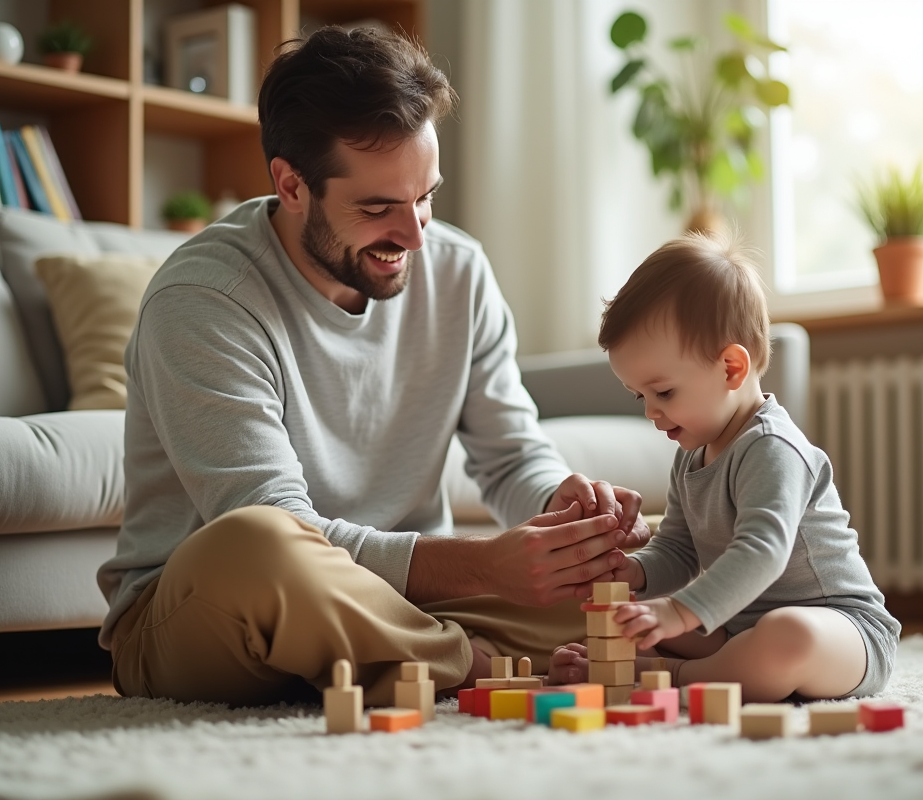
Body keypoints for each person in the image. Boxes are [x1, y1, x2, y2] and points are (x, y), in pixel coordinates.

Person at [97, 27, 651, 707]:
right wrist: (484, 564)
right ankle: (470, 663)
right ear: (291, 185)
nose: (415, 235)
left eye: (426, 197)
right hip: (218, 613)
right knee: (259, 543)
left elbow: (511, 456)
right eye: (378, 207)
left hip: (404, 605)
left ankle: (419, 654)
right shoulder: (205, 298)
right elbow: (279, 525)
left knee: (650, 571)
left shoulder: (459, 271)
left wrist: (563, 515)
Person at [547, 232, 900, 702]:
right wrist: (631, 574)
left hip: (844, 631)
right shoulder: (690, 455)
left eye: (663, 392)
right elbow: (678, 550)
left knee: (785, 636)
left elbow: (763, 551)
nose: (650, 412)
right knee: (629, 620)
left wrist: (679, 613)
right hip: (738, 626)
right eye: (640, 397)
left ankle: (670, 675)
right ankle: (666, 666)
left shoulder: (772, 447)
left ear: (732, 368)